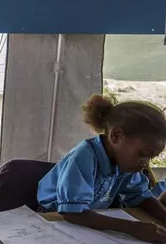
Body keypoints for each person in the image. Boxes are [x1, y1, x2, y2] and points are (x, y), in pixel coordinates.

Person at [37, 95, 166, 243]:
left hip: (93, 215)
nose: (145, 163)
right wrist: (133, 228)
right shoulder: (84, 157)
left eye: (152, 158)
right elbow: (72, 213)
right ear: (116, 137)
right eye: (143, 154)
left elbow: (140, 197)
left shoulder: (125, 163)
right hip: (55, 218)